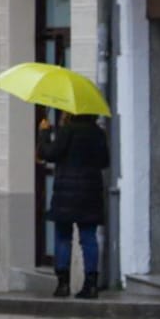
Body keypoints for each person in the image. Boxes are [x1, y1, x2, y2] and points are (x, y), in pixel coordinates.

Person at [37, 111, 110, 299]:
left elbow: (49, 154)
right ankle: (91, 285)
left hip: (65, 194)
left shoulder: (67, 131)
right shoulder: (98, 133)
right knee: (88, 238)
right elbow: (105, 161)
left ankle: (63, 285)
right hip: (90, 193)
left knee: (63, 237)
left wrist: (44, 134)